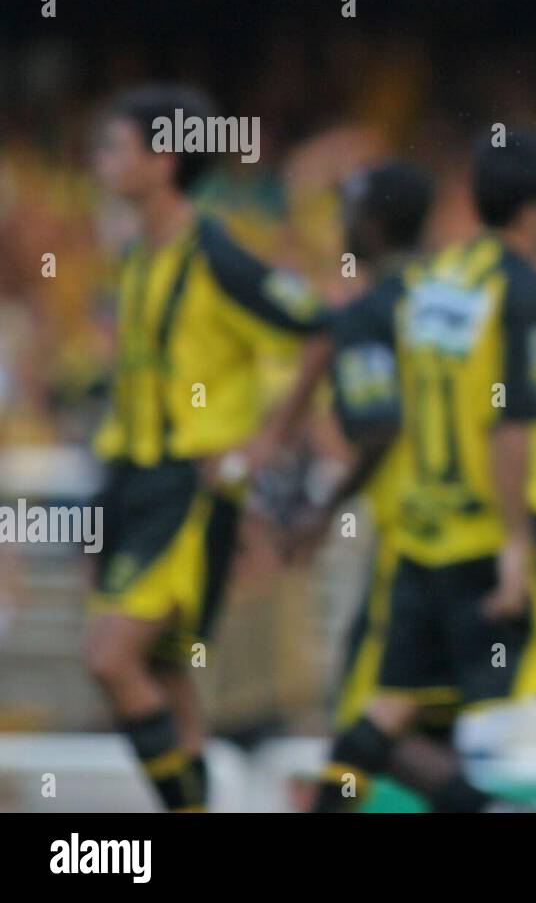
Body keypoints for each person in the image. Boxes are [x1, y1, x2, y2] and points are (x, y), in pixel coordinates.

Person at [310, 129, 536, 812]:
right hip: (511, 525)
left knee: (388, 707)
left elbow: (461, 402)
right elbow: (508, 420)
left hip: (428, 532)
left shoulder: (429, 285)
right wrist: (514, 542)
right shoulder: (532, 293)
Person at [87, 84, 326, 811]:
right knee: (165, 673)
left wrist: (265, 441)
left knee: (109, 656)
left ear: (163, 161)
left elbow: (315, 326)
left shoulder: (216, 255)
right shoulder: (139, 255)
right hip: (130, 480)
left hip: (186, 487)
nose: (99, 161)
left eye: (115, 147)